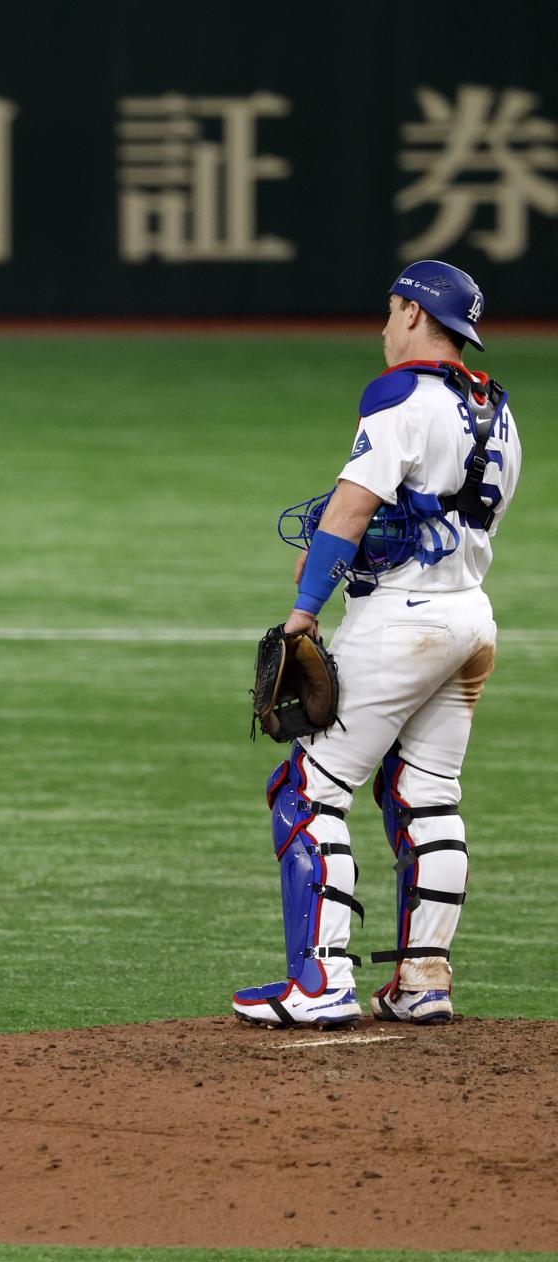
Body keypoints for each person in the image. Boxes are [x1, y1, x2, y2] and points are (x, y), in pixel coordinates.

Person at [233, 260, 520, 1028]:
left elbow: (355, 507)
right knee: (428, 795)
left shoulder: (398, 395)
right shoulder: (498, 411)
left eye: (392, 312)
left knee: (306, 791)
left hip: (403, 625)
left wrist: (303, 610)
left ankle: (321, 983)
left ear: (416, 315)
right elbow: (445, 522)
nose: (385, 327)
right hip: (471, 621)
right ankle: (424, 981)